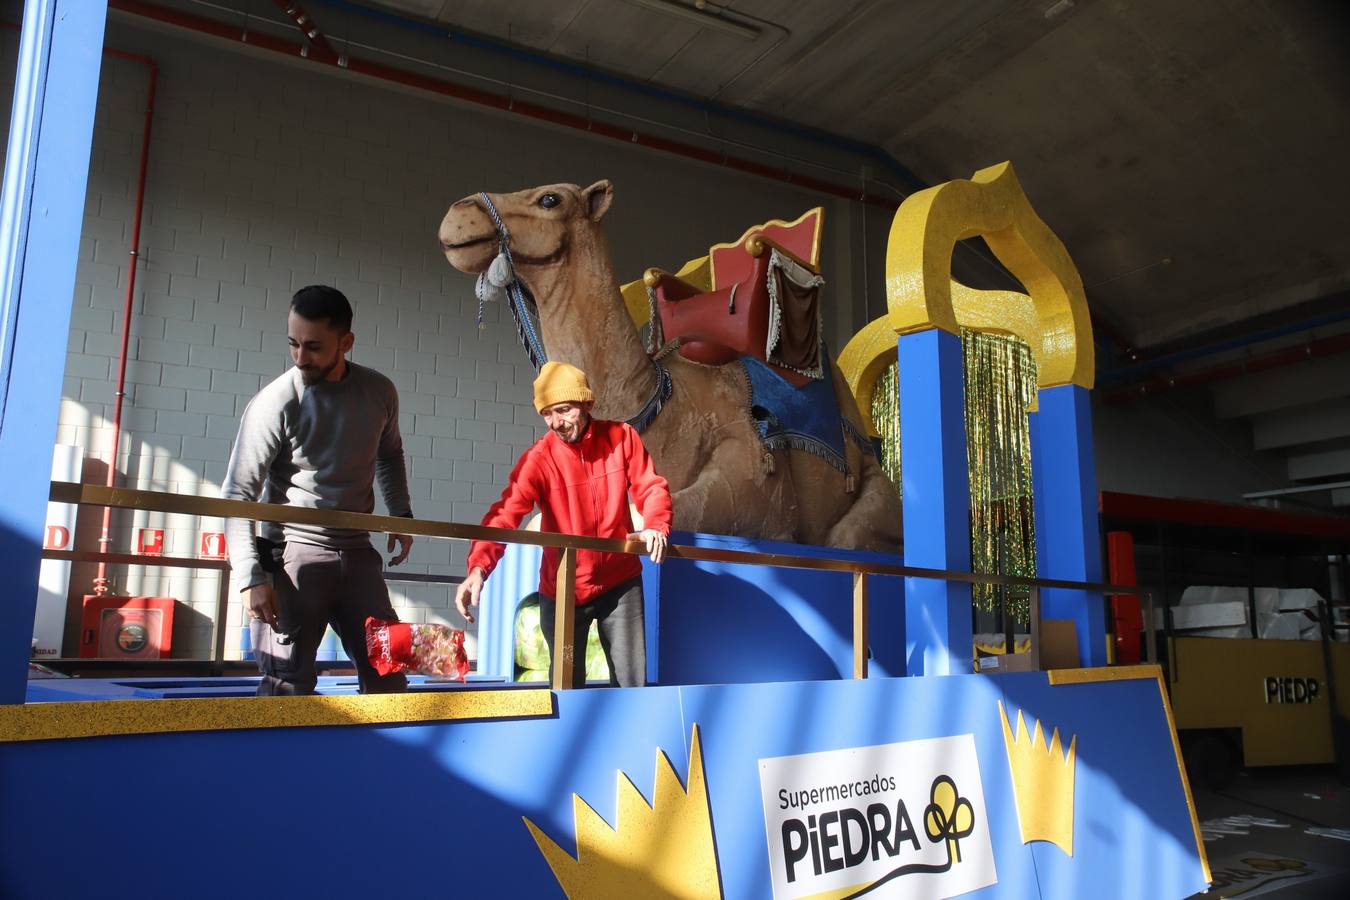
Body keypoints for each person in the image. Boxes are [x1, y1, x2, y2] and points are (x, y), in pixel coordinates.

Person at [222, 285, 414, 696]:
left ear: (346, 343)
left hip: (359, 555)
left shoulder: (379, 392)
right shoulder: (274, 402)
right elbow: (237, 493)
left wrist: (400, 514)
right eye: (293, 344)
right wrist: (249, 576)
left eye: (313, 347)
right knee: (286, 684)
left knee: (390, 677)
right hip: (294, 556)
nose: (300, 357)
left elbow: (390, 453)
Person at [455, 362, 672, 688]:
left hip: (620, 581)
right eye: (547, 413)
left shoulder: (621, 438)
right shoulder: (539, 460)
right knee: (568, 686)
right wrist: (478, 569)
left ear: (587, 404)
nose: (556, 422)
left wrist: (656, 525)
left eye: (564, 410)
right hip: (564, 589)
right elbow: (505, 514)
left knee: (632, 684)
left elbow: (650, 486)